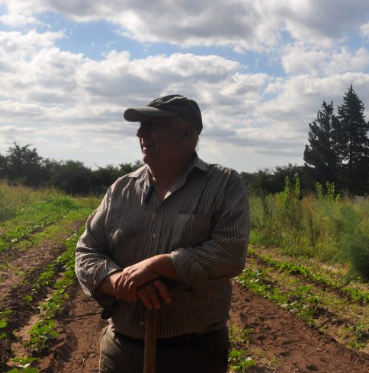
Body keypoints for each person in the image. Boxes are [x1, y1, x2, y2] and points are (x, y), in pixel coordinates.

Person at [75, 94, 250, 373]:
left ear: (186, 133)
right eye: (140, 125)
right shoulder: (120, 189)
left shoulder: (223, 184)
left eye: (153, 124)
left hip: (193, 355)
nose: (140, 132)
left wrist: (160, 265)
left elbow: (230, 254)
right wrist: (122, 280)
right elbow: (87, 252)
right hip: (122, 350)